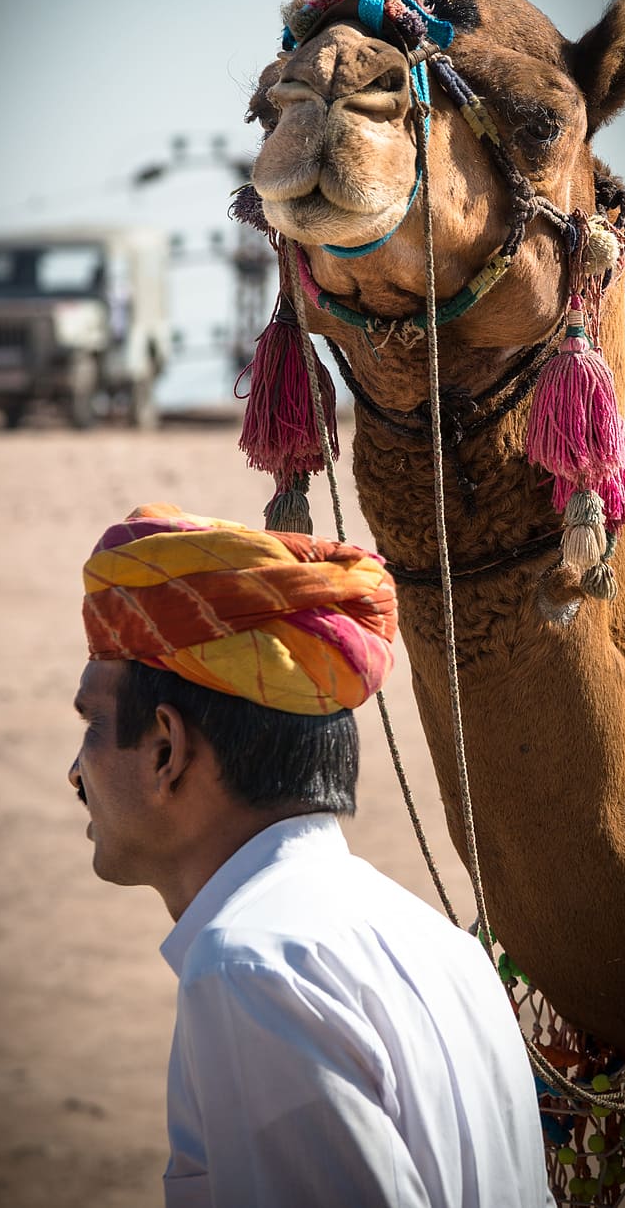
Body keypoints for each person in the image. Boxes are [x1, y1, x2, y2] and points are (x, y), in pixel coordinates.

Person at [69, 503, 554, 1208]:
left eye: (91, 724)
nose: (75, 773)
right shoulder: (448, 949)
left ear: (165, 749)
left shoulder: (249, 967)